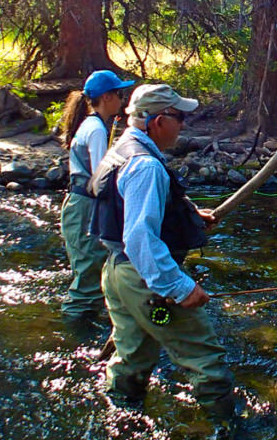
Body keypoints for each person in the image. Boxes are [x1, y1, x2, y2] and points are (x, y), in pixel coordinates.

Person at [89, 82, 235, 420]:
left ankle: (120, 423)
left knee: (132, 361)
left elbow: (125, 207)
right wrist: (182, 288)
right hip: (145, 280)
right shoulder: (147, 166)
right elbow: (141, 238)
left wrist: (186, 214)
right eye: (179, 117)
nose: (183, 124)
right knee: (207, 362)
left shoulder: (123, 148)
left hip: (116, 273)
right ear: (157, 121)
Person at [57, 69, 134, 323]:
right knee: (87, 282)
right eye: (119, 94)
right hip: (84, 208)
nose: (123, 99)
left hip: (80, 205)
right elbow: (101, 176)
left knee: (88, 272)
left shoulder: (92, 124)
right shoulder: (97, 129)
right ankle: (73, 334)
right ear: (108, 97)